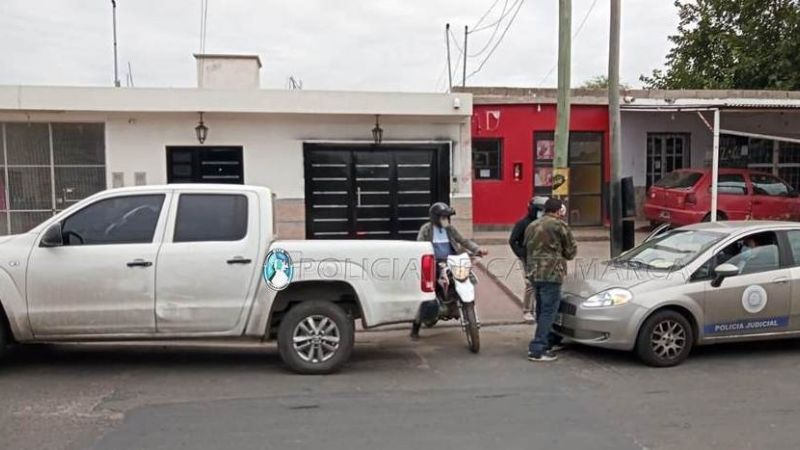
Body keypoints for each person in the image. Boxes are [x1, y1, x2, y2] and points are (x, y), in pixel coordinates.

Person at [412, 202, 487, 339]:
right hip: (434, 264)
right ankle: (415, 326)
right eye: (443, 217)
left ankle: (458, 304)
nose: (446, 220)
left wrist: (477, 249)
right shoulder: (426, 229)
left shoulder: (450, 229)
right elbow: (419, 246)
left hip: (453, 261)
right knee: (427, 294)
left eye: (447, 217)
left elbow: (463, 241)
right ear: (435, 218)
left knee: (466, 278)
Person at [524, 198, 577, 362]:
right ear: (559, 210)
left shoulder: (532, 225)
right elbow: (570, 251)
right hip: (552, 274)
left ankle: (548, 340)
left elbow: (525, 246)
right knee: (549, 311)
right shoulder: (559, 226)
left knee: (541, 308)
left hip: (534, 273)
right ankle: (538, 348)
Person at [508, 197, 544, 322]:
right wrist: (521, 254)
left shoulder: (544, 223)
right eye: (539, 210)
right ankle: (527, 310)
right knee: (530, 284)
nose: (541, 213)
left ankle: (539, 308)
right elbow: (513, 241)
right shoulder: (522, 223)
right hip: (528, 258)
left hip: (543, 258)